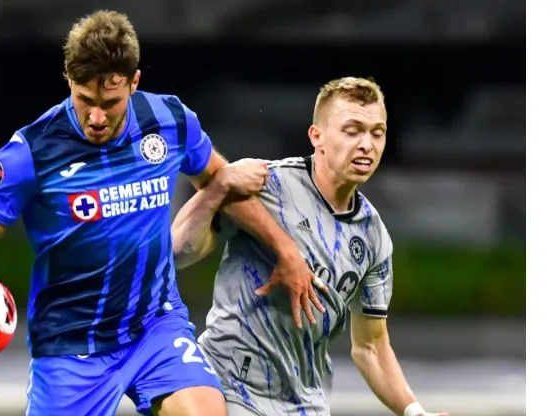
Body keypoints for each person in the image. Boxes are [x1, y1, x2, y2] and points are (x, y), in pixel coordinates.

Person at [0, 10, 325, 416]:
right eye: (84, 100)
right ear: (68, 80)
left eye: (109, 103)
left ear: (134, 81)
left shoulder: (169, 119)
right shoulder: (30, 152)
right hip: (72, 344)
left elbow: (222, 183)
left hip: (155, 328)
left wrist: (286, 250)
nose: (95, 117)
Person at [172, 77, 449, 416]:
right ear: (316, 136)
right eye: (352, 130)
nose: (367, 144)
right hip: (229, 386)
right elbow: (179, 252)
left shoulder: (374, 236)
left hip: (305, 403)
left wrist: (414, 411)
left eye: (377, 133)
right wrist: (215, 191)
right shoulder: (268, 186)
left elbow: (371, 346)